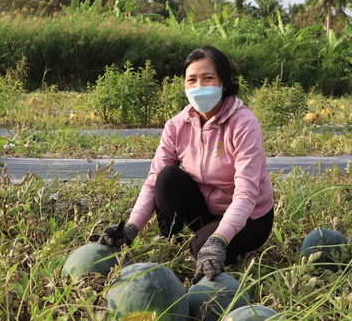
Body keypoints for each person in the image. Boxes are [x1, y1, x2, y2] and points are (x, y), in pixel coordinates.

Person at [93, 46, 274, 281]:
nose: (199, 87)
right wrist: (129, 229)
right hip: (206, 211)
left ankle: (226, 245)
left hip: (250, 218)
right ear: (184, 85)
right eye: (192, 80)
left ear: (224, 83)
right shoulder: (176, 126)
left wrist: (218, 241)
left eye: (208, 78)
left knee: (202, 248)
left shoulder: (244, 124)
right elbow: (152, 183)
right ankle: (171, 243)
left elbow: (246, 194)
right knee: (167, 177)